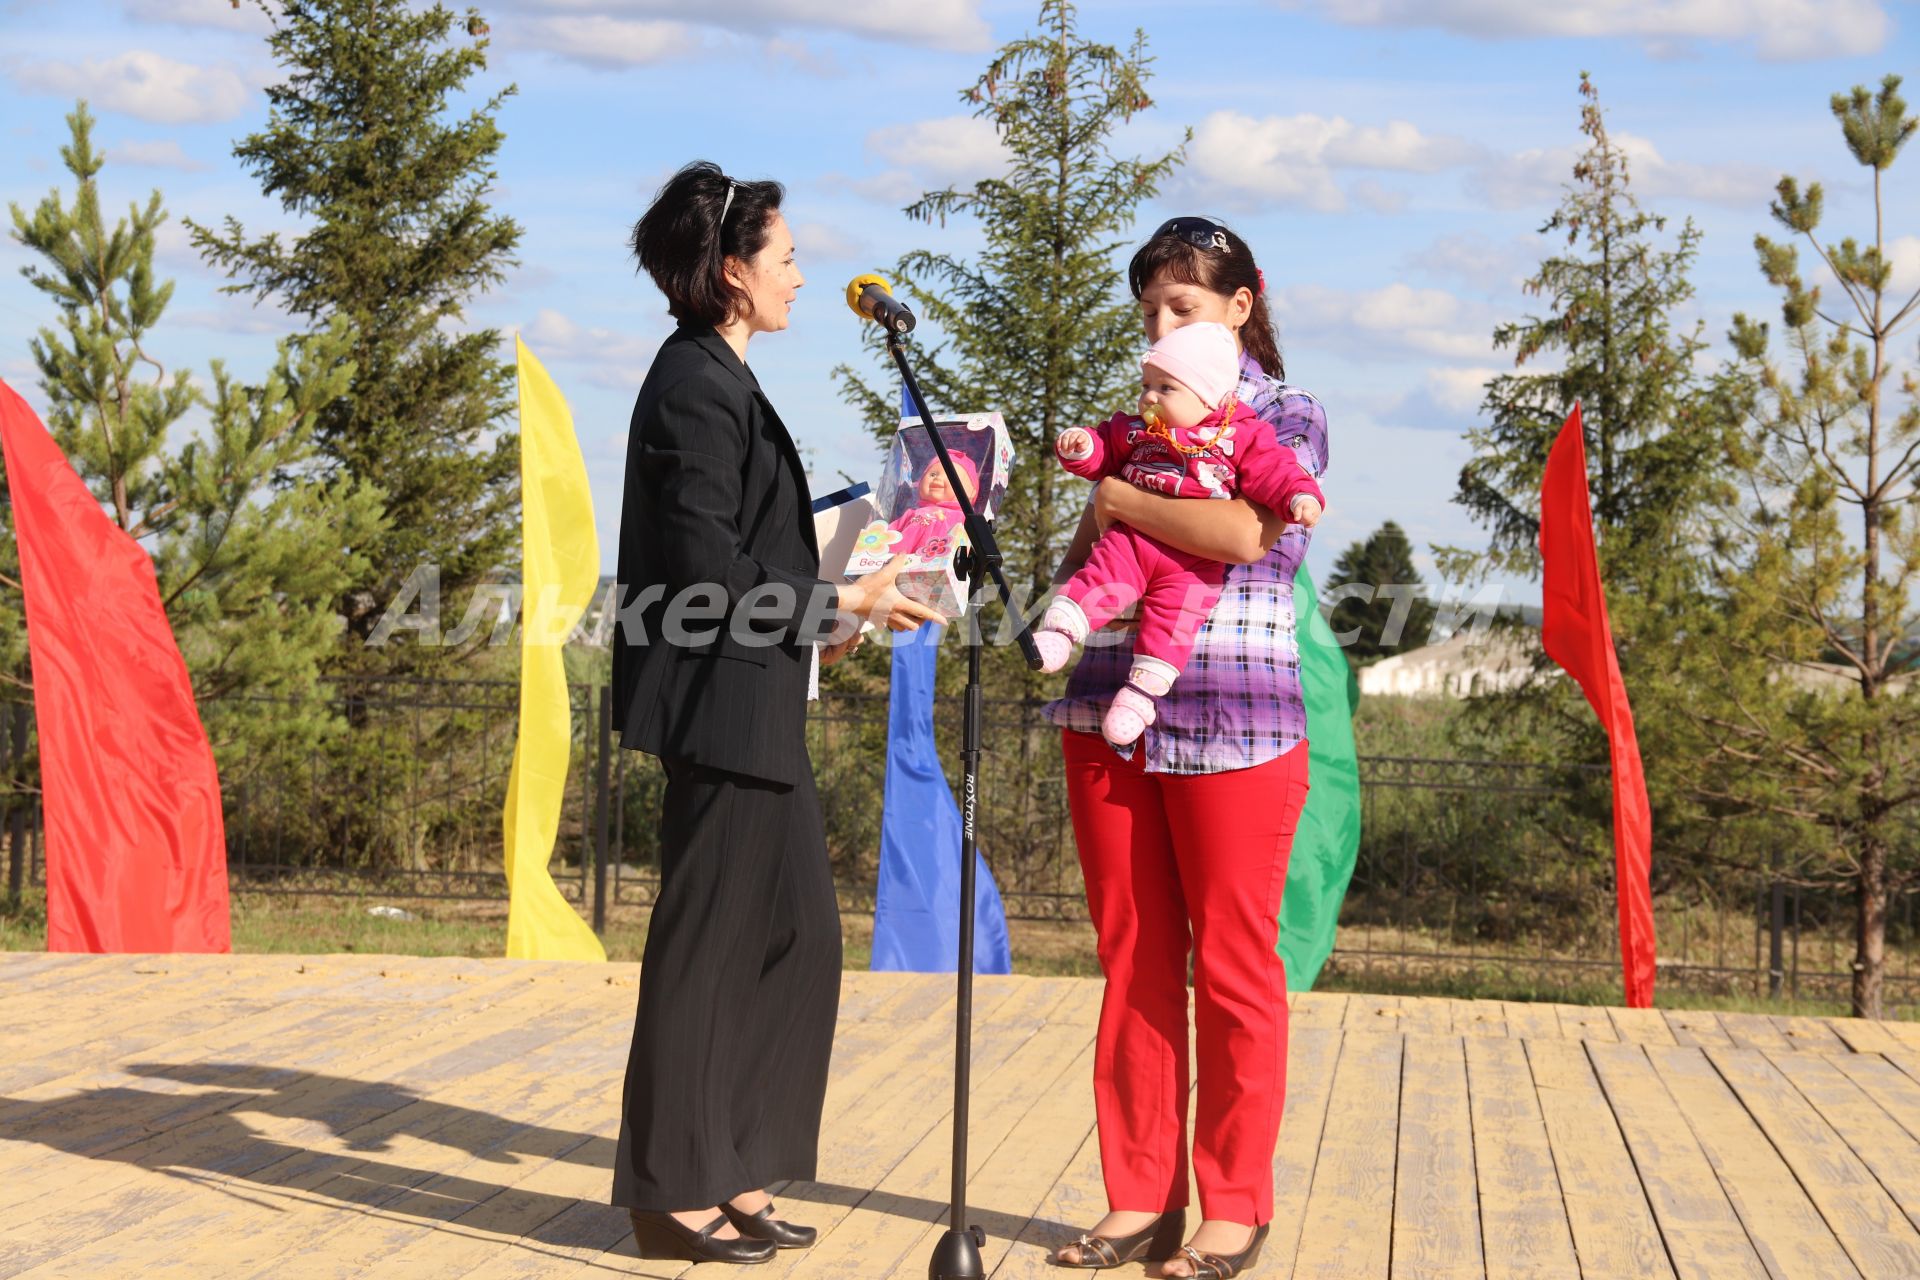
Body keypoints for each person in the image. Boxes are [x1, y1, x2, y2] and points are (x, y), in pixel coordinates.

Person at [610, 160, 942, 1265]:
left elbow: (748, 558)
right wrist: (835, 595)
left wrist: (838, 611)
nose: (802, 275)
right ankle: (669, 1190)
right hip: (717, 708)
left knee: (793, 938)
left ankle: (738, 1162)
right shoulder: (694, 383)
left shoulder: (724, 379)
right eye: (788, 257)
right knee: (706, 949)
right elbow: (707, 560)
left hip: (757, 700)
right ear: (733, 272)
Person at [1046, 217, 1328, 1280]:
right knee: (1132, 962)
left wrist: (1122, 493)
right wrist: (1103, 498)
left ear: (1244, 304)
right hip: (1107, 704)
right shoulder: (1143, 416)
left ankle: (1235, 1206)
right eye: (1152, 309)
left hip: (1239, 721)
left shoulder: (1287, 413)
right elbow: (1095, 548)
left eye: (1187, 305)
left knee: (1236, 967)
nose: (1163, 324)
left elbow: (1255, 535)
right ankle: (1138, 1198)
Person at [1036, 321, 1324, 745]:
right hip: (1132, 543)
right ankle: (1061, 633)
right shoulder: (1137, 431)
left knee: (1173, 624)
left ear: (1207, 395)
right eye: (1146, 384)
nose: (1149, 397)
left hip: (1194, 563)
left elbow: (1274, 472)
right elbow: (1104, 449)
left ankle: (1138, 695)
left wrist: (1300, 496)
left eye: (1166, 388)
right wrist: (1082, 448)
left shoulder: (1241, 435)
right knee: (1102, 577)